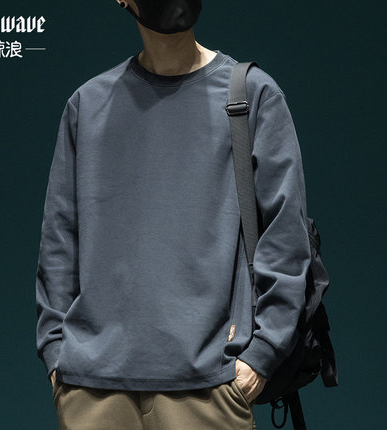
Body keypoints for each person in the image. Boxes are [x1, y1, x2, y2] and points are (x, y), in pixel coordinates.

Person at [35, 1, 312, 428]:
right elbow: (59, 242)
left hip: (209, 386)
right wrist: (57, 353)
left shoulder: (250, 96)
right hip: (93, 389)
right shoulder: (87, 105)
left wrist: (262, 354)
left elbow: (286, 237)